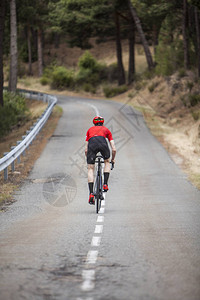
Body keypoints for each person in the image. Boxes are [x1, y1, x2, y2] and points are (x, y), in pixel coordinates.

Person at [85, 116, 116, 205]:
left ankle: (91, 194)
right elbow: (114, 149)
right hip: (103, 145)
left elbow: (86, 150)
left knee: (90, 169)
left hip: (92, 145)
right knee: (106, 162)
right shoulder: (106, 130)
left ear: (94, 123)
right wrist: (112, 160)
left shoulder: (90, 130)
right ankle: (105, 184)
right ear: (102, 123)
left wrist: (89, 161)